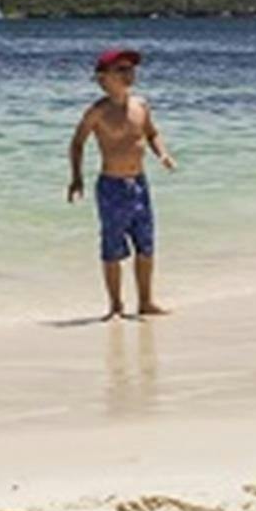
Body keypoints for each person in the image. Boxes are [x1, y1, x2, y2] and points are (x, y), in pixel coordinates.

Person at [67, 47, 175, 320]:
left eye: (131, 69)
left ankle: (146, 301)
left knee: (146, 245)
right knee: (112, 247)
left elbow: (152, 134)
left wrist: (162, 153)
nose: (130, 74)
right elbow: (77, 143)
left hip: (139, 183)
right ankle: (115, 305)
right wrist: (76, 177)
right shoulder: (97, 112)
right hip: (112, 186)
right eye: (122, 70)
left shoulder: (141, 105)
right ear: (103, 78)